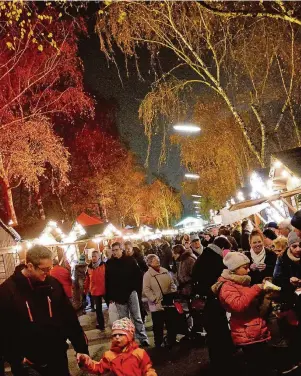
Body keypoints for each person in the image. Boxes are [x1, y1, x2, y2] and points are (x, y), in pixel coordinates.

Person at [0, 245, 88, 376]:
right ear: (30, 266)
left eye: (50, 268)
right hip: (28, 366)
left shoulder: (53, 284)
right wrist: (16, 358)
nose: (48, 273)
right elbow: (3, 330)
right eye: (44, 269)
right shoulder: (7, 291)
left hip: (57, 358)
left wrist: (81, 349)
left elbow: (69, 318)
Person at [212, 252, 271, 376]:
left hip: (254, 328)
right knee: (255, 367)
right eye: (245, 267)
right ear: (234, 269)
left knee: (262, 364)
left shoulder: (240, 282)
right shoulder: (227, 286)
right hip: (246, 331)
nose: (248, 270)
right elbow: (238, 305)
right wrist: (256, 289)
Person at [192, 236, 234, 374]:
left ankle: (217, 359)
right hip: (212, 301)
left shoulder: (205, 255)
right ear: (222, 248)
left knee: (213, 331)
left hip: (205, 301)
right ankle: (222, 361)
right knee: (218, 331)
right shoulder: (215, 259)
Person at [77, 317, 157, 376]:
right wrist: (86, 362)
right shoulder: (109, 355)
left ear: (129, 336)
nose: (117, 337)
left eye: (121, 334)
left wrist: (150, 374)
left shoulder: (139, 353)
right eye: (114, 335)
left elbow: (147, 368)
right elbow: (99, 368)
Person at [106, 242, 149, 346]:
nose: (115, 252)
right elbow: (107, 280)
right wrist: (109, 296)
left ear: (122, 250)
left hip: (131, 293)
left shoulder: (130, 260)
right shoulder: (110, 263)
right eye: (113, 250)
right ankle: (129, 340)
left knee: (137, 317)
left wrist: (136, 290)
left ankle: (143, 338)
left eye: (117, 250)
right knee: (124, 320)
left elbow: (138, 276)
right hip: (118, 296)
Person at [143, 254, 177, 348]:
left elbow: (172, 282)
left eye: (158, 259)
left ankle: (171, 339)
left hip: (168, 300)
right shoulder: (148, 275)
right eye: (155, 260)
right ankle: (158, 342)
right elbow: (146, 289)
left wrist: (173, 290)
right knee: (158, 324)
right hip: (156, 303)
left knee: (170, 321)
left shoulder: (165, 271)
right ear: (149, 263)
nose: (157, 261)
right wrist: (154, 298)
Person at [85, 250, 106, 330]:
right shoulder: (89, 268)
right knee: (98, 310)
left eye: (95, 256)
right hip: (95, 291)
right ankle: (101, 325)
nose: (93, 258)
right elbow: (87, 280)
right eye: (92, 256)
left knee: (111, 307)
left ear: (99, 257)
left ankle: (115, 323)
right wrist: (85, 290)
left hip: (104, 290)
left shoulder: (104, 265)